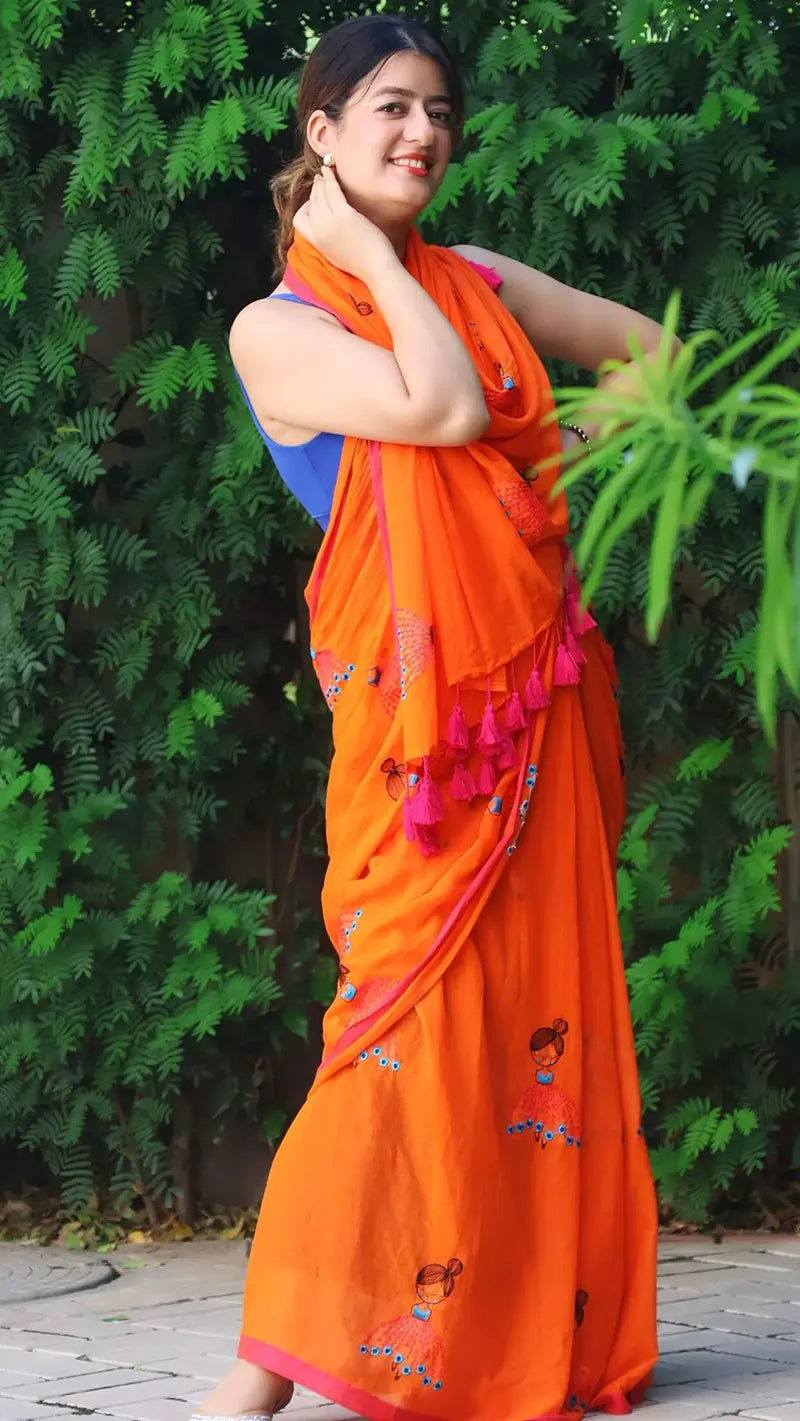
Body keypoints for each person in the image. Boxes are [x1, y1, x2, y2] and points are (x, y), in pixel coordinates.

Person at [196, 12, 663, 1421]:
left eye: (440, 113)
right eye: (388, 108)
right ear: (321, 133)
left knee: (524, 1028)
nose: (422, 134)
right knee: (386, 1028)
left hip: (529, 706)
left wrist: (564, 469)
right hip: (411, 745)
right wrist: (368, 259)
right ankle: (264, 1369)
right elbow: (447, 408)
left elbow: (651, 359)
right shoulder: (274, 329)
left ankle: (484, 1330)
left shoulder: (482, 281)